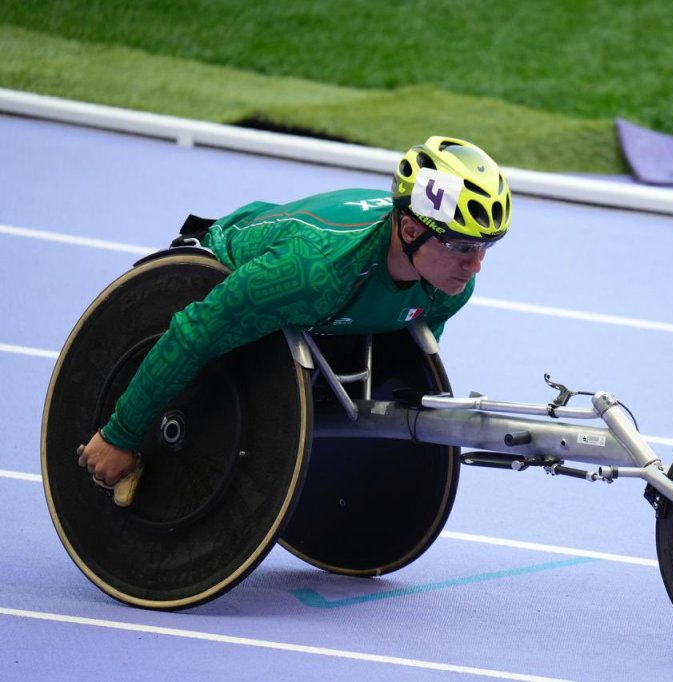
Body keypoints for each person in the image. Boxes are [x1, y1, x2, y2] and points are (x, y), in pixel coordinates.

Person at [78, 136, 511, 497]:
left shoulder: (449, 290)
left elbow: (402, 362)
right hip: (232, 269)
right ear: (412, 230)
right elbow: (193, 333)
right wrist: (121, 434)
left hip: (330, 308)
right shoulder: (309, 274)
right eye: (460, 247)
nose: (475, 268)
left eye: (485, 248)